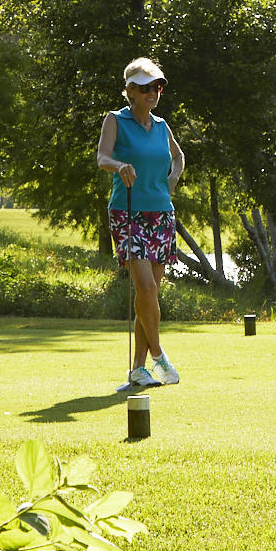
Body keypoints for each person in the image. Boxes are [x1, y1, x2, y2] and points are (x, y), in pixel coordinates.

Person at [96, 57, 186, 391]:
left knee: (149, 297)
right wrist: (119, 166)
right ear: (131, 90)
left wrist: (173, 179)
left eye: (157, 86)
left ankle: (137, 368)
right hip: (128, 212)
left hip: (161, 213)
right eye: (146, 87)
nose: (153, 92)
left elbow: (178, 157)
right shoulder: (115, 121)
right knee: (145, 289)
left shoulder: (162, 126)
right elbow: (102, 157)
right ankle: (159, 355)